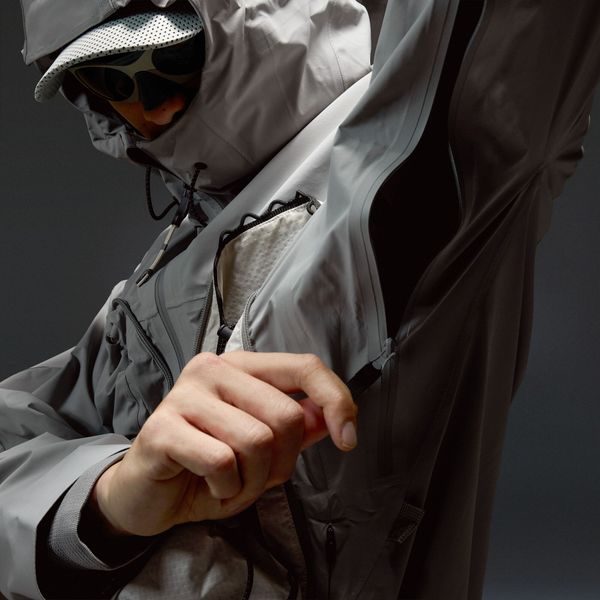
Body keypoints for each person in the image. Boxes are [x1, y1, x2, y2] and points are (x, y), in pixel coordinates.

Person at [1, 0, 600, 599]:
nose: (151, 106)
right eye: (107, 83)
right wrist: (105, 500)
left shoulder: (399, 165)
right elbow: (16, 431)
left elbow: (499, 55)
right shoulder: (167, 263)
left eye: (168, 58)